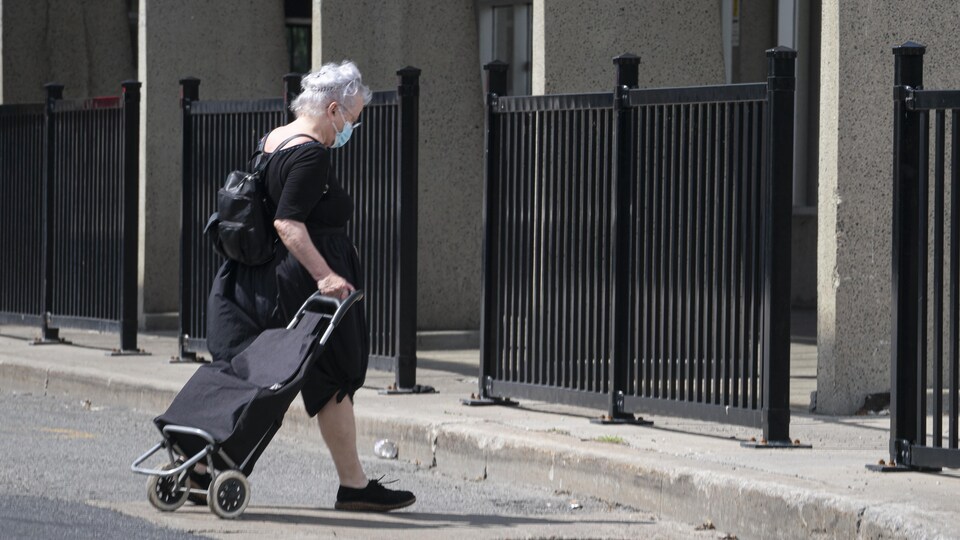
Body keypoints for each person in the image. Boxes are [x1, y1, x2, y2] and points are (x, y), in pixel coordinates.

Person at [198, 60, 416, 512]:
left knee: (280, 375)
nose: (350, 130)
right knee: (331, 375)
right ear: (333, 109)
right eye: (351, 120)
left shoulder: (273, 141)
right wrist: (326, 275)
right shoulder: (311, 153)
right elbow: (288, 223)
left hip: (270, 278)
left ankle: (205, 466)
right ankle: (351, 487)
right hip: (303, 286)